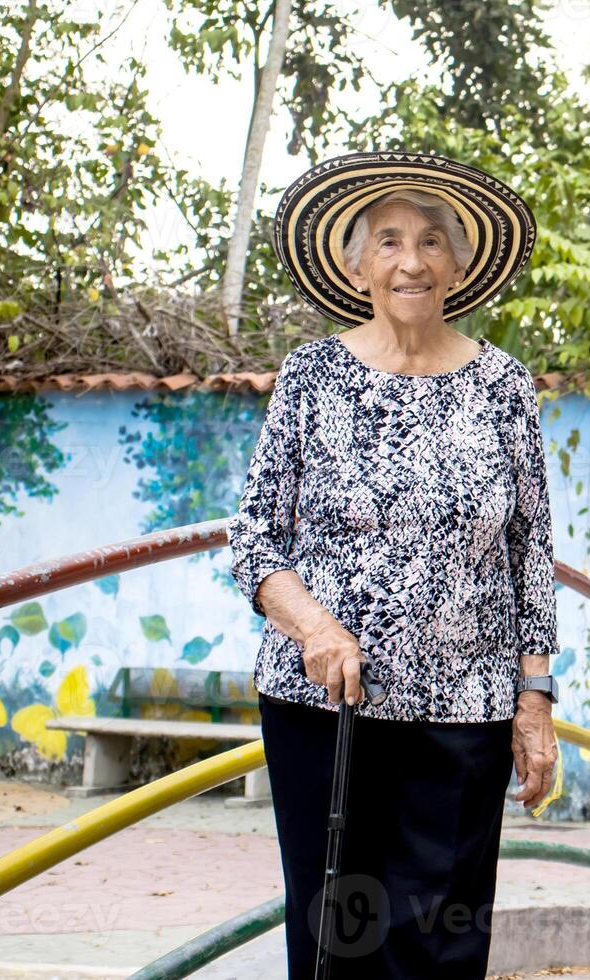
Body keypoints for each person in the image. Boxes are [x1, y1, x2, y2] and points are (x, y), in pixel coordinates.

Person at [226, 150, 560, 978]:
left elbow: (532, 554)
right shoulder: (312, 376)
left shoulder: (505, 387)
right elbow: (255, 538)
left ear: (459, 262)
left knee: (441, 943)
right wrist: (312, 623)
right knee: (338, 943)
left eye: (431, 241)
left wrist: (536, 700)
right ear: (356, 264)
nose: (411, 260)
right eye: (388, 240)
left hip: (466, 717)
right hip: (323, 709)